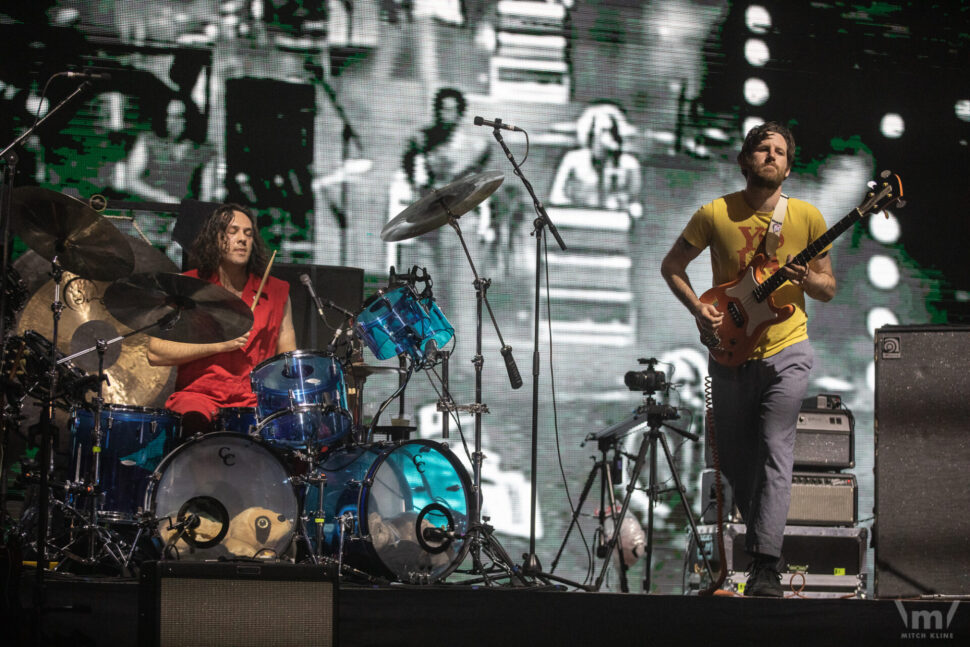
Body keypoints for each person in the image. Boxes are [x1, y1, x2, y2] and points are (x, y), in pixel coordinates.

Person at [660, 121, 836, 597]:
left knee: (776, 450)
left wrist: (806, 280)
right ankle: (756, 550)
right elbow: (672, 266)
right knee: (738, 463)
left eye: (780, 152)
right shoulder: (714, 213)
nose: (771, 157)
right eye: (763, 149)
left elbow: (827, 287)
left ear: (789, 166)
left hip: (788, 350)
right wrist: (699, 308)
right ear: (744, 160)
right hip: (730, 353)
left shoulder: (807, 218)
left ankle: (765, 566)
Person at [147, 203, 297, 436]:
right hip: (199, 397)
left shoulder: (277, 292)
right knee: (193, 421)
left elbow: (287, 361)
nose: (242, 239)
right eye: (233, 231)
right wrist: (220, 345)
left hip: (253, 402)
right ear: (215, 238)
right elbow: (156, 352)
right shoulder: (187, 286)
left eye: (248, 234)